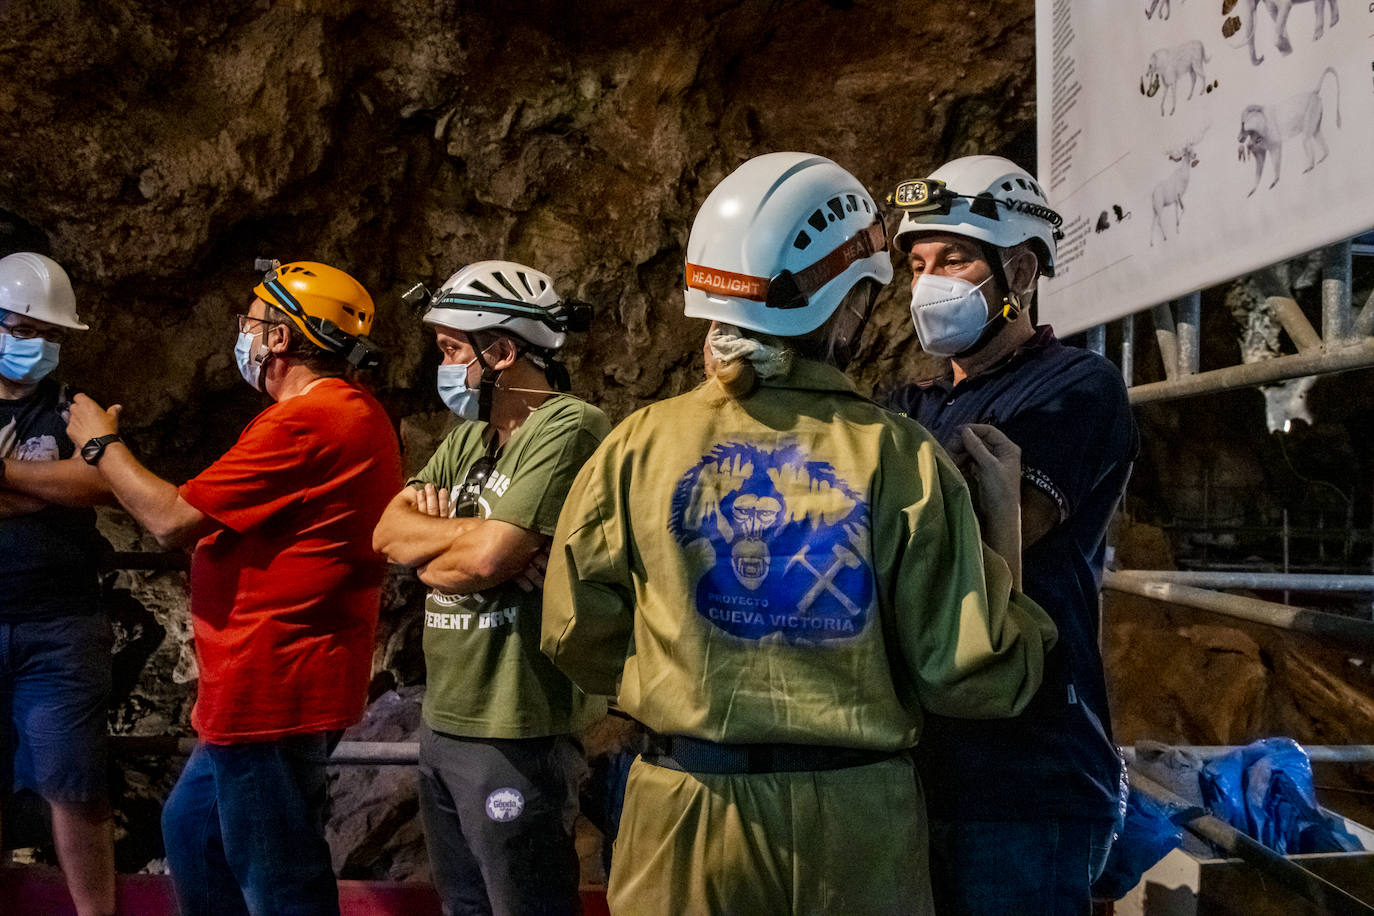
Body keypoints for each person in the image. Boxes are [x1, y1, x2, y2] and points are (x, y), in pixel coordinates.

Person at [540, 152, 1058, 916]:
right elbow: (968, 673)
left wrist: (687, 673)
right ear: (844, 305)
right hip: (854, 822)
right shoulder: (901, 456)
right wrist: (1013, 591)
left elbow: (575, 630)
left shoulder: (637, 446)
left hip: (683, 809)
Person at [66, 259, 401, 916]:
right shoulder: (348, 414)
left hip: (270, 682)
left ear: (279, 337)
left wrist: (100, 445)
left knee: (276, 872)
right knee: (194, 834)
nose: (242, 334)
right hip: (271, 679)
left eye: (251, 320)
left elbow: (168, 519)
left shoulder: (308, 421)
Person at [886, 155, 1139, 915]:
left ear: (1020, 271)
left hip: (1029, 775)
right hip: (923, 765)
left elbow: (999, 538)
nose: (929, 281)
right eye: (918, 264)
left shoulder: (1076, 388)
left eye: (955, 258)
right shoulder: (912, 402)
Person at [372, 260, 609, 916]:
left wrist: (448, 547)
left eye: (452, 350)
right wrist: (447, 554)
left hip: (516, 723)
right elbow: (388, 532)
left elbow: (488, 558)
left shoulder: (568, 425)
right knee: (467, 907)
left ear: (501, 351)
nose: (442, 365)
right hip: (446, 717)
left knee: (523, 903)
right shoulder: (471, 435)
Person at [0, 252, 116, 916]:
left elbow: (98, 481)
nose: (36, 345)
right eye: (21, 328)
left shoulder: (75, 407)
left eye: (48, 334)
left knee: (75, 784)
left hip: (61, 630)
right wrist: (52, 490)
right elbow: (71, 485)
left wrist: (7, 477)